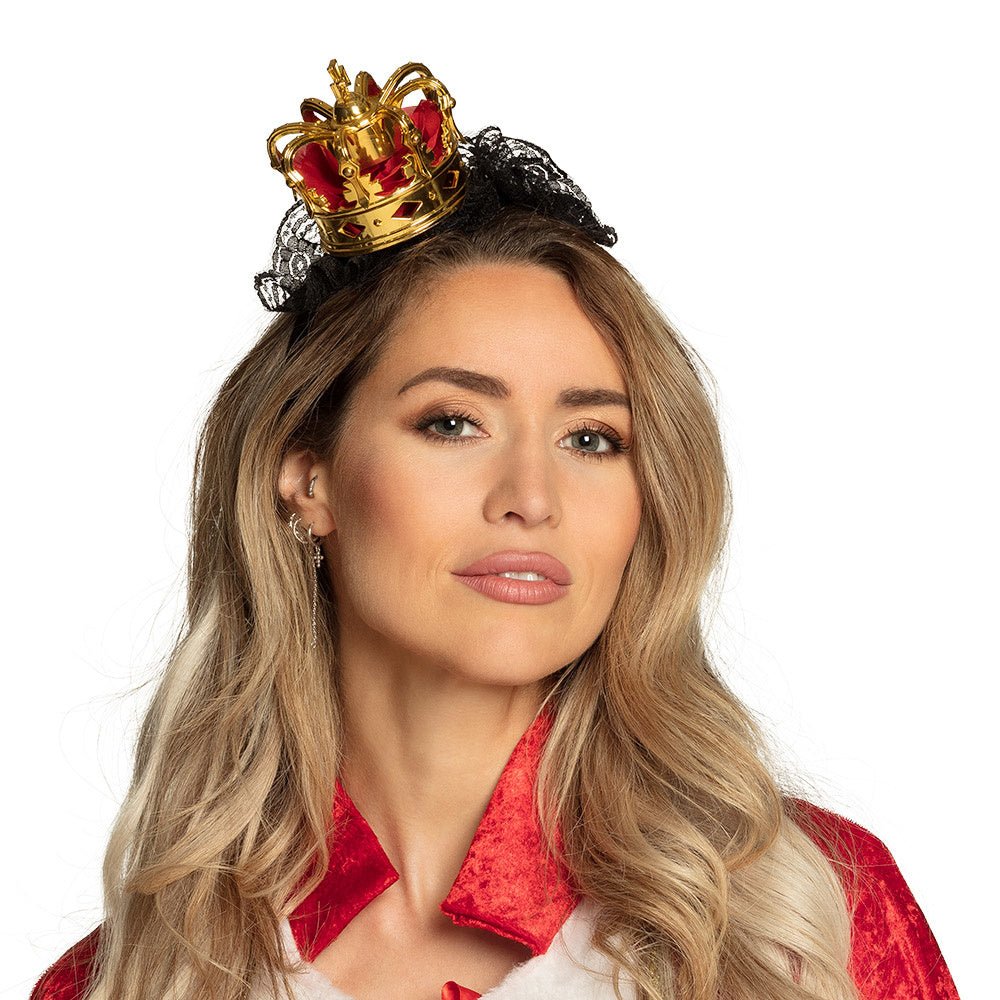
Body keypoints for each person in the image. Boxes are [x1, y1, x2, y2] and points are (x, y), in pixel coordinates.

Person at [31, 58, 960, 1000]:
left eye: (592, 438)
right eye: (453, 423)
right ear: (307, 475)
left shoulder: (803, 925)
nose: (532, 496)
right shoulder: (131, 981)